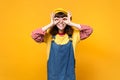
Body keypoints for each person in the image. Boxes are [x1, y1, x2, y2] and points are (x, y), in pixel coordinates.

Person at [31, 8, 93, 80]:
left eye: (64, 19)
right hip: (53, 75)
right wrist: (51, 24)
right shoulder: (49, 35)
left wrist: (71, 23)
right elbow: (34, 35)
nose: (61, 22)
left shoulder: (74, 35)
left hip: (69, 75)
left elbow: (89, 30)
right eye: (57, 19)